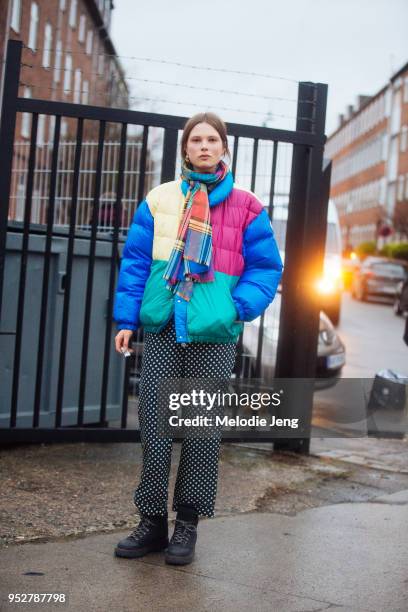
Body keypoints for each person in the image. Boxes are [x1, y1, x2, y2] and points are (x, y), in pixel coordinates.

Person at [112, 111, 283, 565]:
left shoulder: (247, 206)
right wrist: (127, 318)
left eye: (212, 140)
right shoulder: (159, 199)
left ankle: (187, 524)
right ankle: (151, 524)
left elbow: (266, 267)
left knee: (202, 430)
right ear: (185, 148)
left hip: (213, 331)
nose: (204, 146)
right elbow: (133, 264)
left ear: (223, 148)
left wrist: (237, 306)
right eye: (196, 140)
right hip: (166, 323)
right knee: (155, 426)